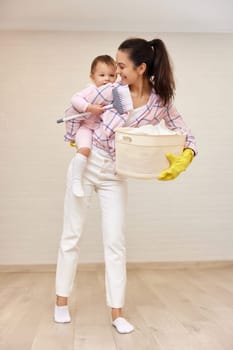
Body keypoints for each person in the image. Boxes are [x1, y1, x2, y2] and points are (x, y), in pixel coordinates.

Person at [54, 37, 197, 333]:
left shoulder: (160, 102)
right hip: (88, 163)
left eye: (122, 67)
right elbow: (75, 109)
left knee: (115, 243)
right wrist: (71, 136)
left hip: (115, 175)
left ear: (141, 68)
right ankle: (61, 304)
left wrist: (186, 157)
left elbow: (187, 135)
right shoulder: (114, 91)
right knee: (71, 237)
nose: (117, 73)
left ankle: (117, 313)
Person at [64, 55, 117, 196]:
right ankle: (76, 180)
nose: (107, 79)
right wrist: (89, 107)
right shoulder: (91, 90)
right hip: (86, 128)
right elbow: (74, 99)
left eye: (111, 75)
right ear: (92, 77)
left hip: (100, 130)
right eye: (102, 75)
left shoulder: (113, 92)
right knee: (84, 150)